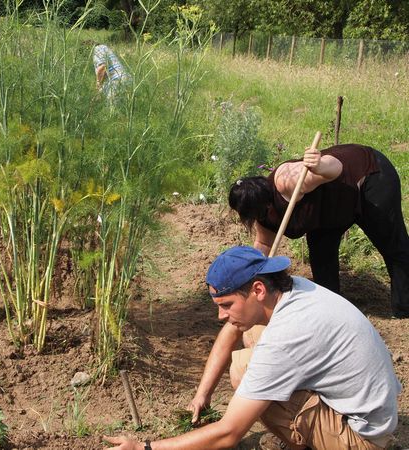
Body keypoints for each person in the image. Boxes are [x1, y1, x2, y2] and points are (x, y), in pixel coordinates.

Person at [105, 246, 400, 450]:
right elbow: (232, 329)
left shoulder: (288, 334)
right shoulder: (291, 290)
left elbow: (228, 434)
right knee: (249, 337)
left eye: (226, 305)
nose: (221, 315)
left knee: (246, 371)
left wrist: (145, 447)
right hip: (368, 412)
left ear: (257, 288)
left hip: (360, 439)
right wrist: (202, 395)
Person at [228, 143, 409, 318]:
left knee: (392, 244)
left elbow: (336, 167)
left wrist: (320, 165)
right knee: (321, 255)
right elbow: (264, 244)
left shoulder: (289, 180)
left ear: (264, 201)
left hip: (365, 178)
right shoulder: (262, 215)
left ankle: (404, 309)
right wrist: (250, 279)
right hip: (330, 208)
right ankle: (332, 311)